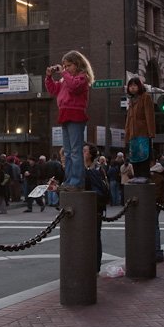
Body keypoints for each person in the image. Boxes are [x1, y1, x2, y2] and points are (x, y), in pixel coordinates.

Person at [45, 50, 94, 192]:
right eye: (64, 66)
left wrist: (63, 74)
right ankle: (69, 179)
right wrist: (48, 77)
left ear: (77, 64)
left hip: (76, 114)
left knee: (75, 151)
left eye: (68, 66)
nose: (65, 69)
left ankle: (77, 181)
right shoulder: (65, 79)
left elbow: (74, 87)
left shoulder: (82, 78)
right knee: (67, 152)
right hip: (65, 113)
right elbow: (53, 90)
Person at [83, 143, 109, 271]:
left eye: (85, 151)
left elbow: (98, 190)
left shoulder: (96, 170)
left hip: (94, 209)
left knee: (94, 237)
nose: (83, 153)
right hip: (89, 208)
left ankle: (95, 266)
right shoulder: (86, 168)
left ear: (91, 154)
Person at [124, 77, 156, 178]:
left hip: (143, 134)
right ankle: (137, 177)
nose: (132, 88)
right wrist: (127, 135)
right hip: (133, 135)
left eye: (135, 85)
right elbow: (128, 120)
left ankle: (144, 177)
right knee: (134, 158)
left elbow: (149, 116)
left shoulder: (145, 97)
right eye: (130, 86)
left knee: (143, 157)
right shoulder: (131, 100)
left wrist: (151, 133)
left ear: (139, 86)